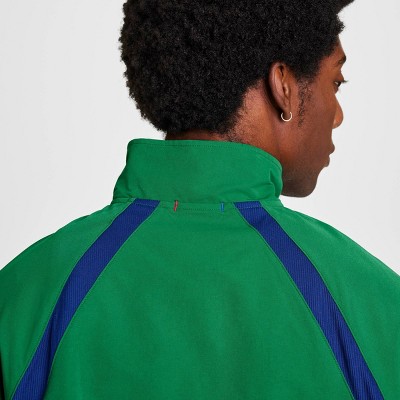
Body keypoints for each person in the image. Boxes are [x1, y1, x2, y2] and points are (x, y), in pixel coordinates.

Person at [1, 0, 399, 399]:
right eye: (336, 82)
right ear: (283, 86)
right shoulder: (374, 308)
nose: (338, 115)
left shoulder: (24, 298)